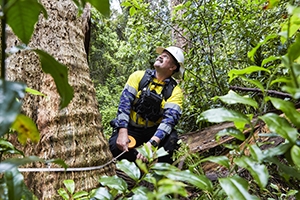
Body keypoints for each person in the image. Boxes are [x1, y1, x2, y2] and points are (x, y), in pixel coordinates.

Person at [109, 46, 184, 164]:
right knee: (115, 145)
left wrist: (152, 143)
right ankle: (139, 163)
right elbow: (124, 104)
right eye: (161, 55)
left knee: (172, 141)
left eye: (165, 57)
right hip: (132, 128)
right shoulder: (138, 76)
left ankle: (161, 175)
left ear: (173, 67)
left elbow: (169, 121)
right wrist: (122, 132)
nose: (160, 56)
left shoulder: (175, 91)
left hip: (154, 131)